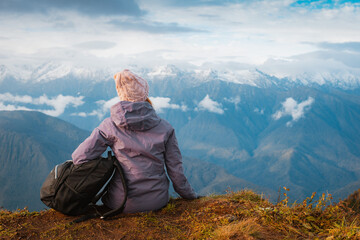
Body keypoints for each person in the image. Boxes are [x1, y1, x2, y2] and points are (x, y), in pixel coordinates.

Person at [71, 69, 197, 213]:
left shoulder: (109, 126)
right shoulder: (166, 128)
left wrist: (108, 165)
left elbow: (79, 158)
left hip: (121, 202)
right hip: (157, 201)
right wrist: (190, 196)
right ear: (145, 95)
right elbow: (176, 172)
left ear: (121, 94)